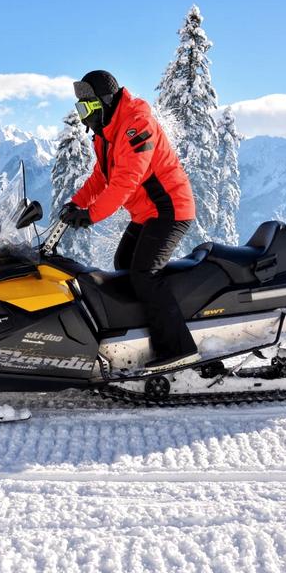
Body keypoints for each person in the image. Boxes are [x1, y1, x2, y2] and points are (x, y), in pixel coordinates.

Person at [59, 70, 199, 371]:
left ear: (105, 103)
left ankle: (179, 349)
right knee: (124, 264)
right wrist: (76, 203)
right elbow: (102, 177)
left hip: (170, 209)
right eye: (79, 109)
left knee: (145, 272)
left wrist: (91, 215)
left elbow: (125, 181)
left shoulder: (136, 124)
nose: (83, 117)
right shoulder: (106, 132)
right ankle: (140, 336)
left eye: (87, 108)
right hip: (147, 213)